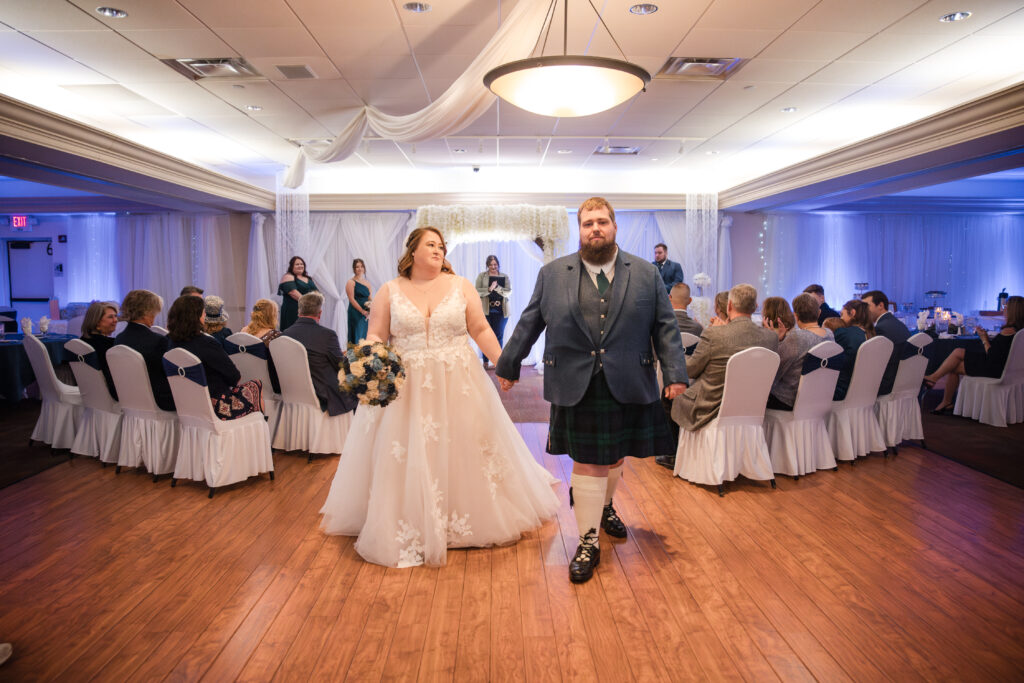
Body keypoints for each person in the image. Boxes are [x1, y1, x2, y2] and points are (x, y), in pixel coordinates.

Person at [320, 227, 558, 568]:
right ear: (412, 251)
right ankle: (409, 518)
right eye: (430, 244)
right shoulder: (389, 290)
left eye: (441, 246)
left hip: (457, 379)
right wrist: (368, 359)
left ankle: (465, 515)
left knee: (464, 446)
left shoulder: (460, 286)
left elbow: (480, 329)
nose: (438, 250)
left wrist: (504, 364)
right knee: (405, 450)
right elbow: (376, 333)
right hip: (406, 385)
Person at [497, 197, 688, 584]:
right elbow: (530, 320)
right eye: (587, 223)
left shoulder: (647, 273)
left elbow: (665, 326)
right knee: (588, 461)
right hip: (574, 381)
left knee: (615, 458)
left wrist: (675, 373)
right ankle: (588, 540)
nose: (595, 229)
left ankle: (603, 507)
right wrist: (509, 363)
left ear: (614, 227)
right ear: (579, 230)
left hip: (629, 379)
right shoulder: (553, 273)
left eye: (602, 222)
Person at [672, 284, 779, 431]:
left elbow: (690, 370)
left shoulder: (714, 334)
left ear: (729, 306)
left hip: (711, 407)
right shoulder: (771, 338)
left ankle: (672, 451)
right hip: (751, 407)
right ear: (755, 307)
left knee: (673, 393)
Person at [166, 295, 263, 420]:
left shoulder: (169, 341)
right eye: (203, 313)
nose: (205, 316)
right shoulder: (206, 343)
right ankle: (258, 432)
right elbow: (234, 376)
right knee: (255, 385)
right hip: (215, 406)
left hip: (184, 404)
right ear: (195, 317)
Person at [924, 295, 1022, 414]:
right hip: (1006, 368)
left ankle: (934, 379)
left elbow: (992, 356)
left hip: (995, 369)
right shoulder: (1018, 331)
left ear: (1012, 311)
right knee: (956, 357)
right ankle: (945, 401)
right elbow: (999, 353)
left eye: (1006, 307)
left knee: (956, 355)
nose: (1004, 309)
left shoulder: (1007, 331)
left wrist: (984, 338)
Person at [281, 292, 358, 418]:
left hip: (295, 392)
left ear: (298, 311)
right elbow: (342, 366)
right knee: (358, 387)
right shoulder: (327, 335)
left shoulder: (285, 334)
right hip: (323, 393)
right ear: (320, 313)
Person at [656, 282, 705, 468]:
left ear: (669, 298)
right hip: (690, 382)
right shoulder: (698, 329)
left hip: (663, 382)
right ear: (690, 301)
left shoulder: (660, 325)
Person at [115, 289, 174, 411]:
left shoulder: (119, 338)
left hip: (130, 399)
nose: (155, 316)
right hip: (158, 401)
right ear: (147, 313)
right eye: (155, 312)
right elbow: (169, 373)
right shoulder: (158, 341)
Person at [762, 296, 819, 411]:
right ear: (819, 313)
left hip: (787, 399)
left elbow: (773, 372)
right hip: (816, 397)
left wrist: (773, 341)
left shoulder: (797, 338)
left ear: (796, 315)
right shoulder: (828, 335)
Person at [862, 290, 909, 396]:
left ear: (880, 305)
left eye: (866, 306)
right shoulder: (898, 324)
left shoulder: (880, 328)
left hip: (888, 383)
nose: (864, 311)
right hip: (903, 380)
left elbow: (874, 361)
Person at [474, 254, 511, 367]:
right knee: (486, 336)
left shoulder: (504, 276)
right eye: (490, 265)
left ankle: (498, 361)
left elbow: (508, 292)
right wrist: (489, 289)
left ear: (498, 264)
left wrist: (497, 288)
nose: (493, 266)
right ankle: (485, 361)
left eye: (495, 264)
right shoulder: (482, 276)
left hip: (501, 311)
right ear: (487, 265)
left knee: (498, 336)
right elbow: (476, 292)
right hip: (486, 311)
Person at [240, 298, 282, 393]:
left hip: (244, 382)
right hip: (266, 386)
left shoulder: (243, 331)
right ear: (272, 315)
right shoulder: (275, 336)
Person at [79, 300, 119, 399]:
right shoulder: (109, 345)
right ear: (96, 321)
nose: (116, 320)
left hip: (88, 392)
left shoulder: (81, 341)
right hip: (109, 394)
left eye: (115, 316)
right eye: (110, 317)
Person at [831, 300, 869, 400]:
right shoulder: (872, 334)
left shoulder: (844, 333)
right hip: (864, 389)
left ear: (852, 313)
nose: (841, 318)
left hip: (842, 390)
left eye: (842, 314)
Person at [278, 256, 318, 331]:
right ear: (292, 266)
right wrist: (309, 304)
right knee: (293, 333)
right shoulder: (288, 276)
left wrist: (317, 303)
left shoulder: (309, 278)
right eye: (297, 264)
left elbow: (316, 293)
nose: (300, 266)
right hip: (293, 311)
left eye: (301, 264)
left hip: (308, 311)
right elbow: (293, 292)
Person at [346, 258, 373, 345]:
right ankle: (354, 356)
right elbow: (351, 299)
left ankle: (365, 356)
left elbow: (369, 298)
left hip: (366, 312)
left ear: (364, 268)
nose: (360, 268)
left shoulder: (367, 283)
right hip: (355, 312)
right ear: (354, 269)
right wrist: (362, 311)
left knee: (365, 334)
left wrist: (371, 308)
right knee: (356, 333)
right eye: (357, 267)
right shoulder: (351, 282)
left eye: (361, 266)